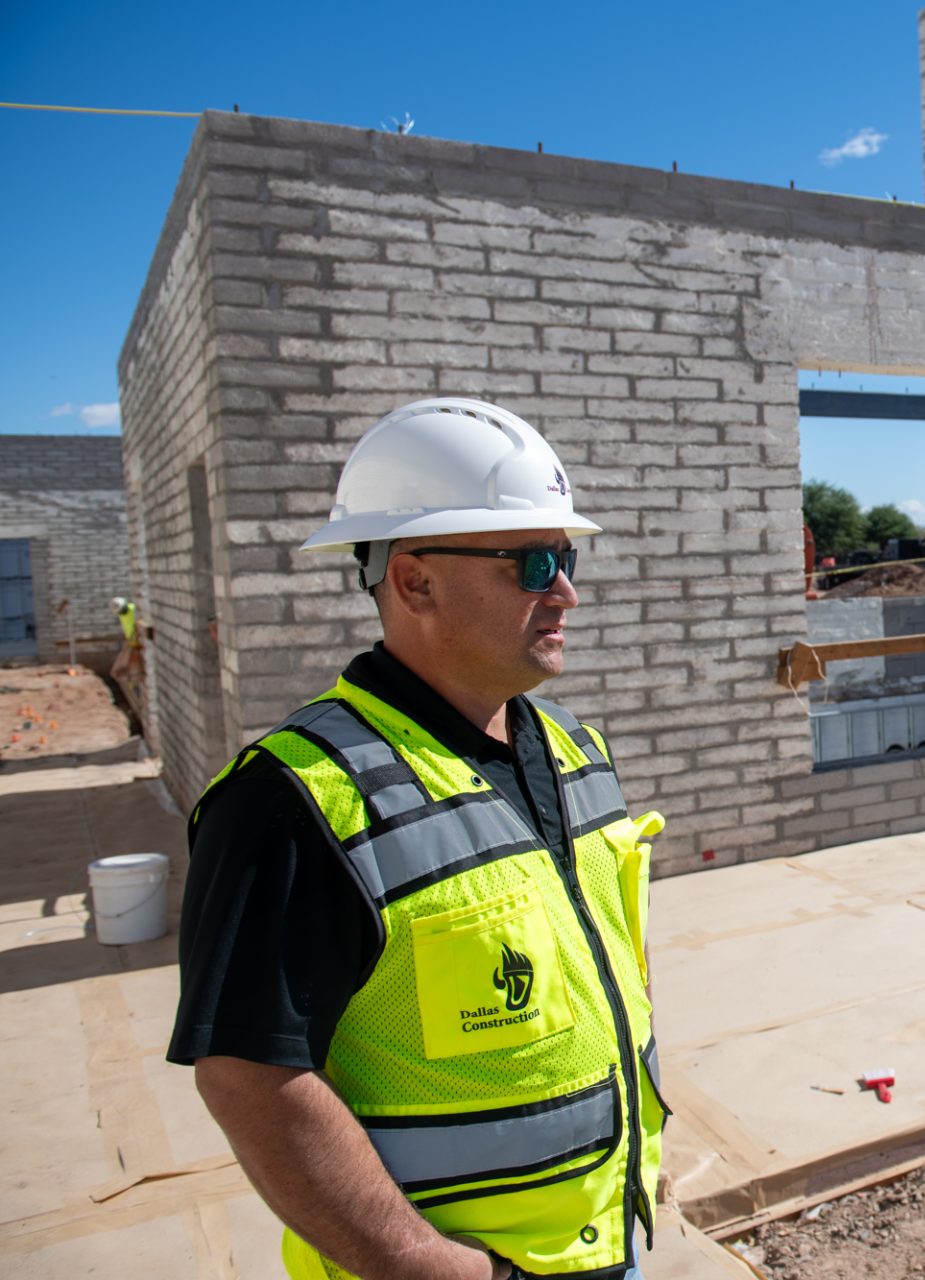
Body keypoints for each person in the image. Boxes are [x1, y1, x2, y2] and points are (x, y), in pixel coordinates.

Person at [168, 398, 668, 1280]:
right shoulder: (295, 802)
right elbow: (249, 1077)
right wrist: (427, 1267)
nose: (567, 592)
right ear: (414, 581)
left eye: (569, 556)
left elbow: (608, 963)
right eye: (535, 563)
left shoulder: (576, 752)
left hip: (600, 1239)